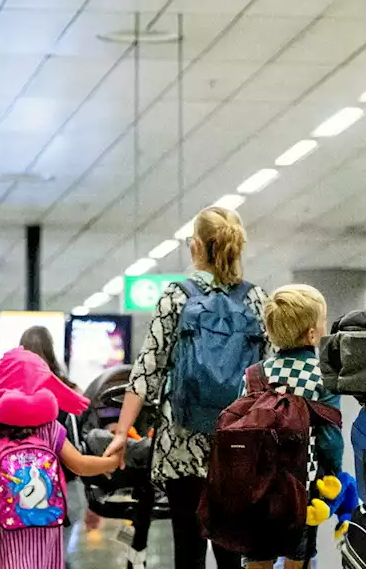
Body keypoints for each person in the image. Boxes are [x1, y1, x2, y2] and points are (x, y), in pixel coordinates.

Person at [107, 206, 270, 569]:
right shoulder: (257, 299)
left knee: (189, 552)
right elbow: (270, 378)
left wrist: (121, 432)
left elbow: (148, 369)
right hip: (238, 446)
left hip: (181, 442)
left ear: (197, 246)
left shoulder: (177, 296)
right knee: (232, 553)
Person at [0, 346, 119, 569]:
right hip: (47, 526)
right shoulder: (49, 428)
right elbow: (79, 464)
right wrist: (112, 462)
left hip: (7, 527)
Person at [242, 284, 342, 569]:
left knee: (258, 558)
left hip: (258, 485)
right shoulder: (322, 375)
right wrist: (333, 473)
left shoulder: (255, 374)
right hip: (303, 484)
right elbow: (330, 439)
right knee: (297, 558)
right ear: (312, 333)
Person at [17, 325, 91, 566]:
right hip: (64, 489)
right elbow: (79, 450)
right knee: (57, 557)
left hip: (18, 491)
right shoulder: (69, 393)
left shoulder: (8, 395)